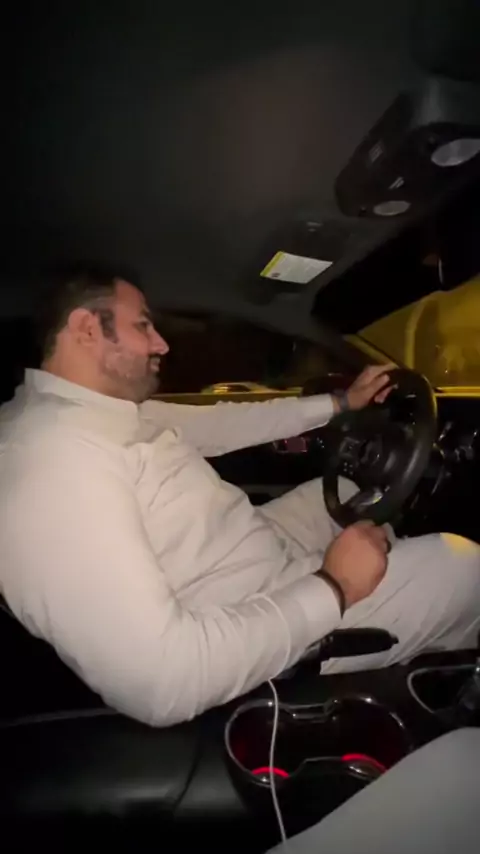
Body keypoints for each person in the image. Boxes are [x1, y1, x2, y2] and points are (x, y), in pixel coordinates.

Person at [0, 267, 478, 726]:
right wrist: (334, 586)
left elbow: (226, 423)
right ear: (87, 329)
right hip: (252, 611)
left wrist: (339, 404)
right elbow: (161, 684)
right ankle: (452, 690)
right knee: (461, 566)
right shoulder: (50, 459)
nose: (161, 343)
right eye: (143, 325)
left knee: (350, 494)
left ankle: (415, 626)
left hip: (251, 550)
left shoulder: (98, 412)